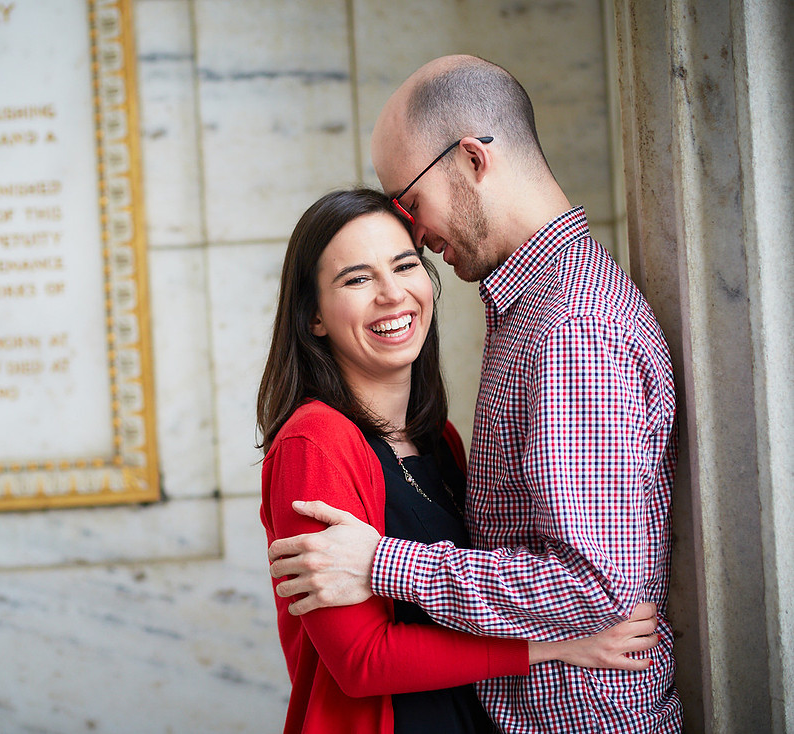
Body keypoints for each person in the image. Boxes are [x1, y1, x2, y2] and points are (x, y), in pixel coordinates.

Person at [266, 56, 682, 733]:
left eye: (408, 206)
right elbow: (360, 659)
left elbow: (592, 583)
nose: (416, 236)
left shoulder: (568, 329)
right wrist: (544, 646)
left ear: (471, 161)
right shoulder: (532, 313)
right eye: (356, 278)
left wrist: (381, 562)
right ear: (312, 312)